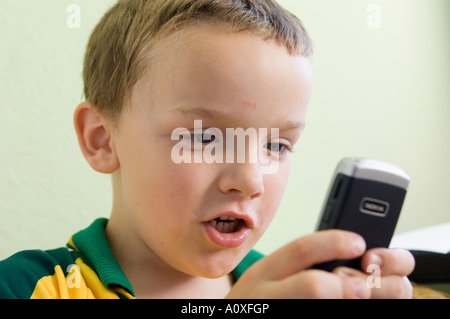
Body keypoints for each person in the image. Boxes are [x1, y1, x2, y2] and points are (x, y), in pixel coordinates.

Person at [0, 0, 414, 299]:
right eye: (205, 137)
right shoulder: (22, 287)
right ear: (102, 139)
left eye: (276, 144)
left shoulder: (288, 286)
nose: (250, 180)